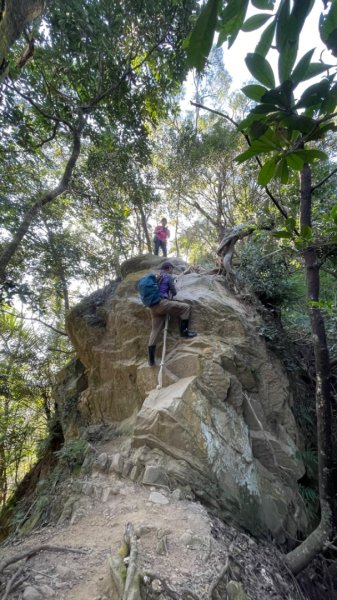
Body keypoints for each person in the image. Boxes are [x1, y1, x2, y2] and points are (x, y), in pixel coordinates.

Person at [148, 261, 197, 366]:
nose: (172, 271)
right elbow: (174, 292)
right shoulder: (168, 277)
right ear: (169, 268)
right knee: (186, 308)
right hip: (162, 303)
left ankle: (151, 360)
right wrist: (171, 286)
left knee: (155, 330)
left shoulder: (156, 276)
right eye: (172, 269)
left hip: (153, 306)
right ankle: (184, 332)